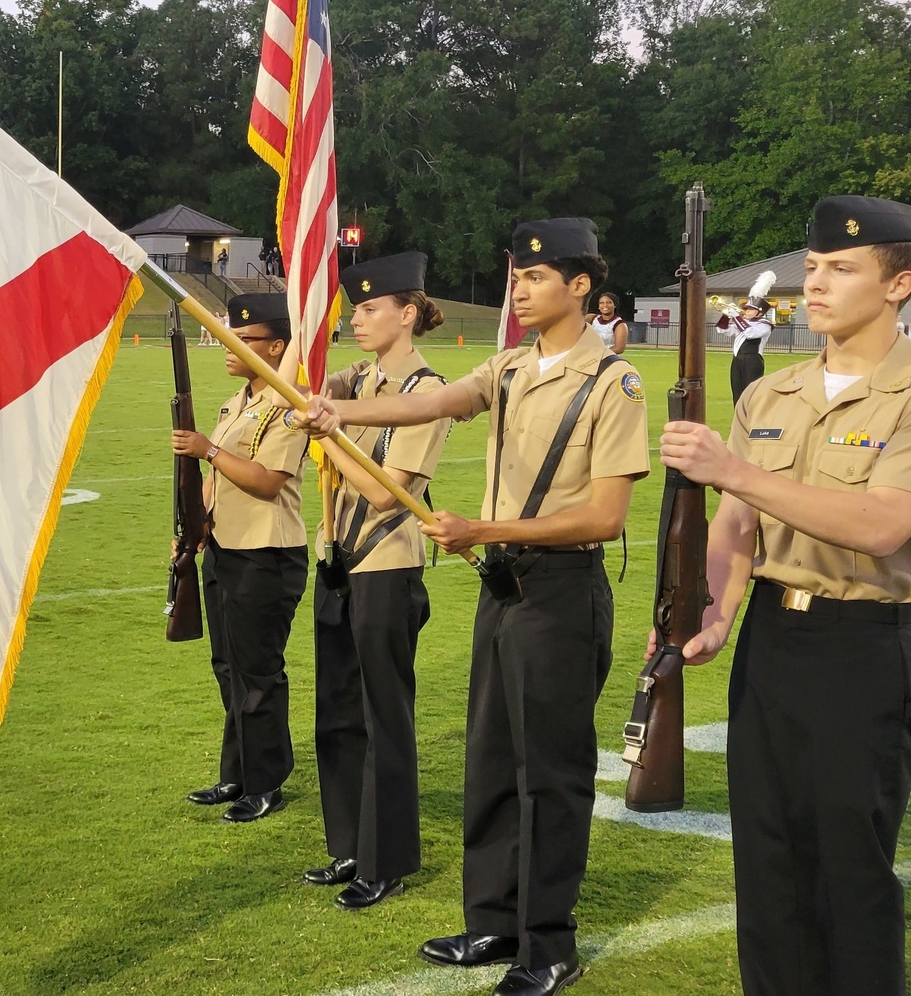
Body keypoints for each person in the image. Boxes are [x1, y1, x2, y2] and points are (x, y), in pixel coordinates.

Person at [301, 218, 647, 996]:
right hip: (503, 585)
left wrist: (485, 527)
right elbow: (438, 403)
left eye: (534, 278)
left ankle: (548, 942)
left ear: (580, 284)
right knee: (491, 758)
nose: (518, 291)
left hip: (559, 588)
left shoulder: (613, 381)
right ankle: (492, 918)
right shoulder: (513, 366)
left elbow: (605, 517)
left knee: (549, 773)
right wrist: (342, 415)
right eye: (514, 279)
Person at [659, 195, 911, 996]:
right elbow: (736, 526)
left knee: (851, 876)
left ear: (900, 283)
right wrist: (715, 609)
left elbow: (880, 524)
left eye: (842, 268)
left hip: (860, 651)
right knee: (767, 868)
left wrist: (733, 469)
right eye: (811, 268)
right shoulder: (770, 395)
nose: (818, 283)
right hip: (772, 649)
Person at [302, 252, 451, 911]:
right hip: (334, 558)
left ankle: (385, 858)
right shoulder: (357, 380)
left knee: (382, 715)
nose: (355, 319)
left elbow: (386, 490)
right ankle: (349, 844)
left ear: (407, 312)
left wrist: (329, 435)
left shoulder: (426, 392)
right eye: (352, 309)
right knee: (334, 712)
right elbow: (296, 383)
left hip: (387, 565)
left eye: (368, 308)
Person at [173, 293, 311, 825]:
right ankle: (237, 771)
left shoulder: (287, 406)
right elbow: (217, 480)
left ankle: (266, 781)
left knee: (258, 672)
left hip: (266, 553)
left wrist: (208, 449)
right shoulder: (239, 402)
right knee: (228, 666)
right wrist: (195, 528)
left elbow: (268, 482)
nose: (230, 346)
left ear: (277, 347)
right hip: (226, 547)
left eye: (244, 339)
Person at [718, 296, 775, 404]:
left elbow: (750, 333)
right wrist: (726, 315)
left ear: (760, 312)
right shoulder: (742, 323)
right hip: (737, 360)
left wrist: (736, 317)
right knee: (737, 393)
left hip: (752, 360)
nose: (746, 311)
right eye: (746, 309)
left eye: (750, 309)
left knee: (751, 394)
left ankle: (752, 419)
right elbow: (721, 330)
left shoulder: (764, 325)